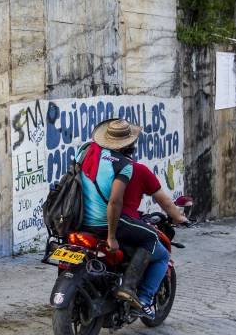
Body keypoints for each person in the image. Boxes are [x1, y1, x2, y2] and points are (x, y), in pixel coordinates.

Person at [79, 119, 184, 318]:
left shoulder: (85, 153)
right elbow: (115, 202)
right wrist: (111, 236)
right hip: (108, 224)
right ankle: (136, 293)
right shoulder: (126, 166)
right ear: (129, 144)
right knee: (154, 241)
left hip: (80, 221)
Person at [116, 141, 189, 318]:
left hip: (90, 223)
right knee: (162, 254)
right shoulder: (138, 170)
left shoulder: (96, 166)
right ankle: (143, 299)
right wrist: (180, 218)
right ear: (131, 148)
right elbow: (164, 202)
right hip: (122, 223)